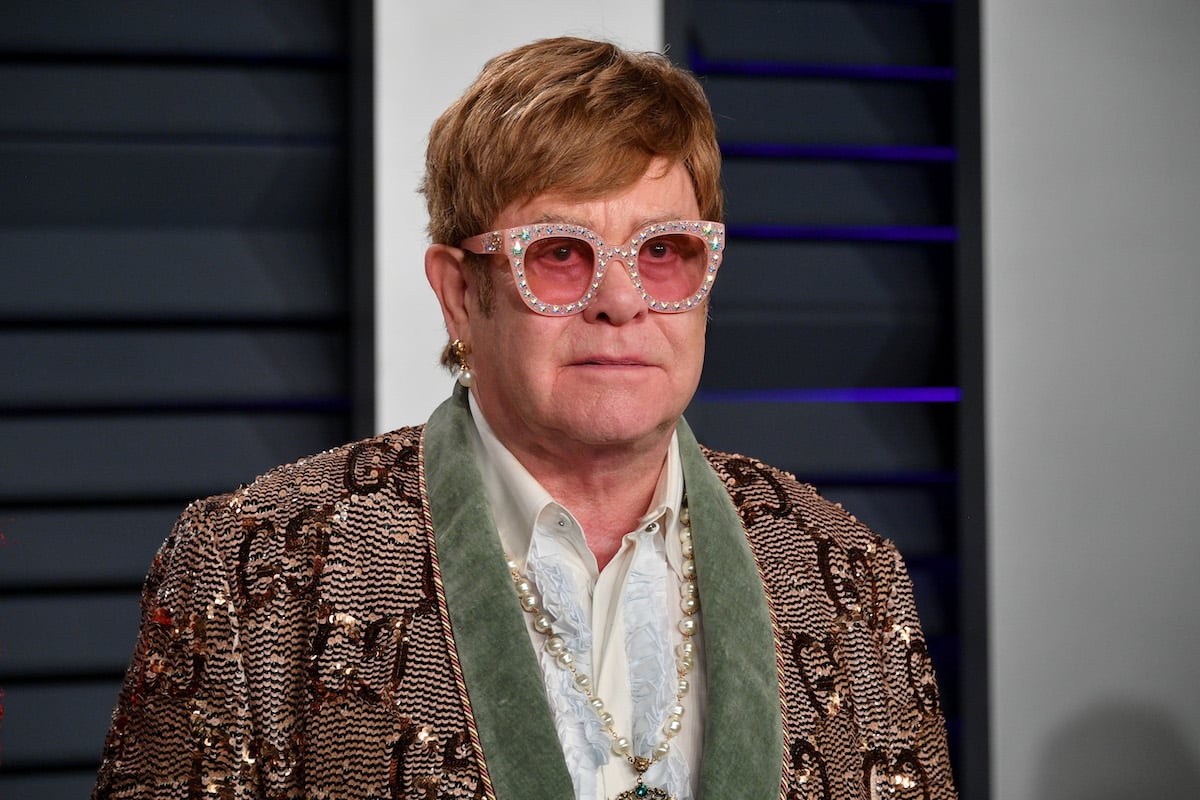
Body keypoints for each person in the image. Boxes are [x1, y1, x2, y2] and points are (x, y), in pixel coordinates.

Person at [93, 37, 955, 800]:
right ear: (459, 294)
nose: (621, 301)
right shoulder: (256, 573)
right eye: (559, 254)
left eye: (663, 251)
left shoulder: (849, 576)